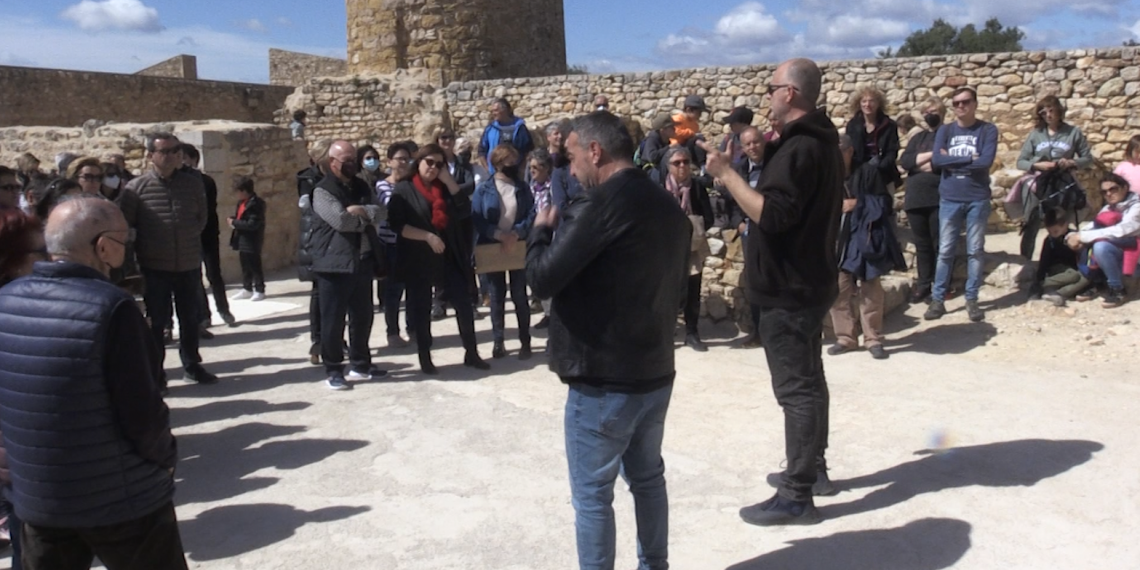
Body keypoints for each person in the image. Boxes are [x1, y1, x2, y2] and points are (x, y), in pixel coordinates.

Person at [526, 111, 690, 570]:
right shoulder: (664, 204)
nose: (571, 168)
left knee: (593, 496)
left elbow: (541, 279)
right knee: (648, 479)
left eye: (574, 156)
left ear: (595, 151)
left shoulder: (598, 207)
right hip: (655, 369)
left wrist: (539, 232)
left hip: (603, 378)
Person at [0, 197, 188, 570]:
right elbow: (142, 412)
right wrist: (166, 458)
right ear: (103, 246)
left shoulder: (6, 301)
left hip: (41, 500)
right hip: (120, 501)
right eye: (123, 239)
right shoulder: (112, 307)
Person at [702, 57, 844, 526]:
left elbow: (774, 215)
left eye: (771, 88)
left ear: (791, 93)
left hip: (790, 286)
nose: (765, 96)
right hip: (809, 279)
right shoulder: (816, 141)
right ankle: (813, 468)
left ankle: (797, 493)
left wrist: (726, 174)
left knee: (796, 390)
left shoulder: (801, 149)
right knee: (810, 381)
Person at [389, 144, 490, 374]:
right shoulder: (404, 189)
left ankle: (471, 353)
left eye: (439, 164)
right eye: (429, 162)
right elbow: (397, 224)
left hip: (448, 254)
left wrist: (449, 181)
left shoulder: (443, 188)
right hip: (419, 257)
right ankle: (425, 357)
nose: (433, 168)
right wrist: (427, 236)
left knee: (464, 304)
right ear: (419, 162)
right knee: (422, 308)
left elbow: (465, 208)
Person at [127, 132, 218, 385]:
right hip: (155, 267)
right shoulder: (136, 189)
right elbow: (128, 225)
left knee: (190, 320)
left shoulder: (192, 184)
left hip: (188, 264)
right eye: (164, 151)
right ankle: (156, 374)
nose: (171, 156)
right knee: (157, 323)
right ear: (150, 156)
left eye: (175, 150)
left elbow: (201, 219)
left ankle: (192, 365)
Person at [311, 140, 389, 390]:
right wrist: (364, 219)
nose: (352, 164)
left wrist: (361, 211)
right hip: (334, 263)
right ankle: (333, 368)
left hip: (362, 261)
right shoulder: (322, 190)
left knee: (362, 316)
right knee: (333, 320)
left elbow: (381, 211)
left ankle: (361, 363)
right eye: (346, 160)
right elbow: (341, 221)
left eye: (353, 159)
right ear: (332, 163)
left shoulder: (361, 185)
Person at [828, 134, 906, 360]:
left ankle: (873, 339)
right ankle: (845, 337)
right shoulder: (829, 175)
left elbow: (884, 203)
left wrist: (858, 204)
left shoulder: (868, 172)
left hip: (866, 238)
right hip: (841, 240)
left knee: (871, 288)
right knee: (838, 289)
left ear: (849, 151)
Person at [925, 87, 1000, 323]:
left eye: (965, 102)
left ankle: (972, 299)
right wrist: (969, 159)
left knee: (975, 250)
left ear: (975, 104)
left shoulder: (987, 130)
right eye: (956, 103)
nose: (960, 107)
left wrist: (953, 161)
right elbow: (937, 160)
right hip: (950, 197)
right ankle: (938, 299)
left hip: (977, 196)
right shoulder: (946, 130)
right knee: (945, 250)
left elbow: (986, 161)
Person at [472, 144, 536, 359]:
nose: (514, 165)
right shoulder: (484, 189)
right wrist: (498, 234)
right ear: (498, 163)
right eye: (510, 161)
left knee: (520, 295)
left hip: (517, 245)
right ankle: (498, 342)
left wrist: (516, 233)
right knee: (497, 296)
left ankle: (525, 341)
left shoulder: (522, 187)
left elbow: (531, 213)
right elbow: (478, 218)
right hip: (493, 245)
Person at [1015, 95, 1093, 259]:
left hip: (1062, 184)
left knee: (1062, 223)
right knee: (1031, 223)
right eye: (1043, 113)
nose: (1048, 115)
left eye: (1051, 111)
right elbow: (1021, 161)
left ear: (1059, 110)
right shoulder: (1036, 135)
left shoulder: (1073, 132)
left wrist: (1071, 162)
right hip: (1037, 184)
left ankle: (1064, 261)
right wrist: (1037, 165)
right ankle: (1026, 263)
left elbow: (1087, 159)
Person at [661, 146, 714, 352]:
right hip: (666, 249)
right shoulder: (660, 188)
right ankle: (665, 333)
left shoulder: (698, 188)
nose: (682, 166)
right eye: (677, 163)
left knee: (693, 290)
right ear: (668, 166)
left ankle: (692, 333)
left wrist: (694, 227)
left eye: (685, 162)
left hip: (692, 248)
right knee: (666, 292)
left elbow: (708, 216)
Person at [182, 143, 236, 330]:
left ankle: (224, 309)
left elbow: (206, 208)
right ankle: (204, 315)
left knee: (214, 274)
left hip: (207, 234)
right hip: (189, 236)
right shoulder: (179, 182)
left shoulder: (205, 181)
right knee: (195, 277)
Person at [1065, 173, 1139, 307]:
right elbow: (1093, 226)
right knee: (1085, 242)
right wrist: (1072, 236)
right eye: (1104, 192)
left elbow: (1121, 230)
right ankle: (1097, 281)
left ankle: (1117, 289)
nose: (1109, 194)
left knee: (1101, 246)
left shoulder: (1136, 207)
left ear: (1124, 188)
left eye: (1113, 189)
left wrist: (1083, 237)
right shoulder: (1108, 208)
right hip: (1120, 250)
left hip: (1134, 256)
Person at [899, 97, 946, 303]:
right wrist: (931, 156)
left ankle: (941, 285)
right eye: (926, 111)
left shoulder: (949, 134)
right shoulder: (918, 138)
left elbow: (946, 161)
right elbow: (906, 161)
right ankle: (924, 285)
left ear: (942, 112)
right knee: (922, 245)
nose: (930, 114)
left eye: (934, 110)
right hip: (915, 198)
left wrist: (922, 162)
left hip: (938, 197)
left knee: (939, 243)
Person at [722, 126, 765, 349]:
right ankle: (758, 332)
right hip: (750, 235)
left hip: (772, 233)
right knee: (755, 282)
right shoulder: (740, 170)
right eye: (747, 144)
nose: (752, 147)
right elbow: (731, 201)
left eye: (756, 142)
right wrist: (738, 223)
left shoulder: (774, 167)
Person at [298, 139, 334, 365]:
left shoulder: (346, 179)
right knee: (319, 293)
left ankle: (335, 339)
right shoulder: (306, 179)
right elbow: (307, 207)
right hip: (317, 240)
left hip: (338, 240)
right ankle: (318, 341)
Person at [376, 142, 415, 348]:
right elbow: (393, 205)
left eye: (406, 159)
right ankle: (393, 332)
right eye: (399, 159)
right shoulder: (383, 185)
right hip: (391, 244)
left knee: (413, 289)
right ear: (389, 162)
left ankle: (413, 329)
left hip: (411, 244)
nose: (403, 163)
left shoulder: (411, 185)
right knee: (393, 291)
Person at [845, 85, 901, 193]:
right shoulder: (852, 125)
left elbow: (892, 152)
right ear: (859, 104)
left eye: (871, 101)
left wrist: (877, 169)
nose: (868, 105)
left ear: (878, 103)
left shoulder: (889, 125)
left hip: (884, 175)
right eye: (864, 101)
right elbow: (850, 151)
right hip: (859, 176)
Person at [1030, 208, 1089, 306]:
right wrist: (1039, 277)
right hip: (1058, 269)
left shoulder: (1074, 236)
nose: (1053, 235)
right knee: (1073, 275)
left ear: (1065, 225)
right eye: (1050, 232)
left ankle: (1057, 294)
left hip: (1074, 269)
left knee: (1086, 278)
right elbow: (1044, 261)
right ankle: (1041, 284)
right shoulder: (1049, 241)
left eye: (1056, 231)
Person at [528, 148, 555, 330]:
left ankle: (552, 314)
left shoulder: (553, 187)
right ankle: (546, 312)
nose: (532, 172)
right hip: (535, 233)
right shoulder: (529, 187)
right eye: (531, 168)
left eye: (536, 168)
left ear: (546, 169)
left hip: (550, 233)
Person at [227, 176, 266, 300]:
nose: (237, 194)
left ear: (244, 191)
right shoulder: (241, 203)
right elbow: (242, 217)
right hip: (242, 238)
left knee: (254, 264)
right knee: (245, 264)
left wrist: (234, 223)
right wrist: (234, 219)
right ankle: (247, 288)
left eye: (238, 191)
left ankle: (260, 289)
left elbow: (252, 224)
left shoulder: (256, 204)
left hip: (252, 239)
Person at [478, 98, 535, 175]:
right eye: (492, 111)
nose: (493, 113)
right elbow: (481, 150)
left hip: (515, 174)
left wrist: (522, 170)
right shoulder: (490, 128)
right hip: (494, 174)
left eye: (496, 110)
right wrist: (488, 169)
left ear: (504, 110)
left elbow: (527, 150)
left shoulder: (519, 128)